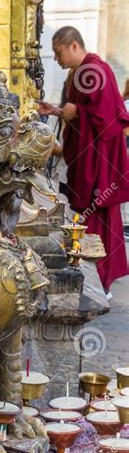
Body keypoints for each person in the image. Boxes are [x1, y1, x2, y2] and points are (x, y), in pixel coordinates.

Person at [38, 26, 129, 295]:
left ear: (74, 46)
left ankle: (99, 284)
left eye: (58, 52)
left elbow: (109, 121)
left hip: (101, 165)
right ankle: (96, 282)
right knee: (90, 219)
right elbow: (80, 114)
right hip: (89, 160)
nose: (56, 59)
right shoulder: (80, 73)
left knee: (97, 220)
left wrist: (76, 111)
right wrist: (56, 110)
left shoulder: (95, 70)